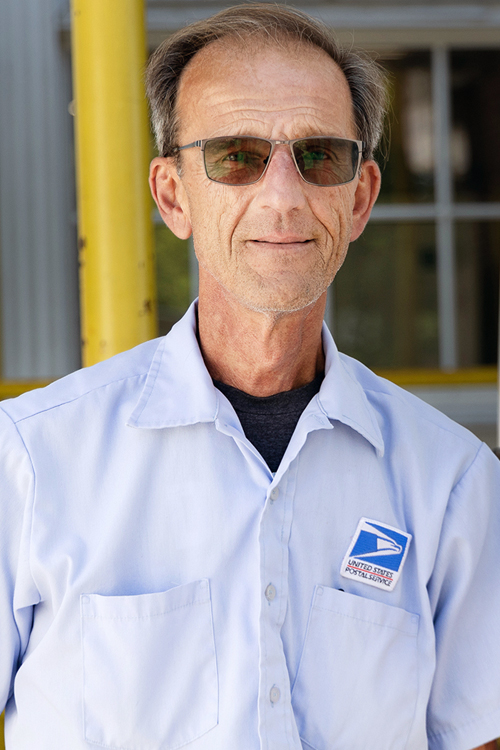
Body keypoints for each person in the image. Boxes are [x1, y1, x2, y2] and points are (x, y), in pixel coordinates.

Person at [1, 4, 499, 749]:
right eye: (237, 156)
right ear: (174, 198)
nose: (283, 196)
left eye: (320, 156)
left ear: (358, 199)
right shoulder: (31, 461)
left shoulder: (451, 481)